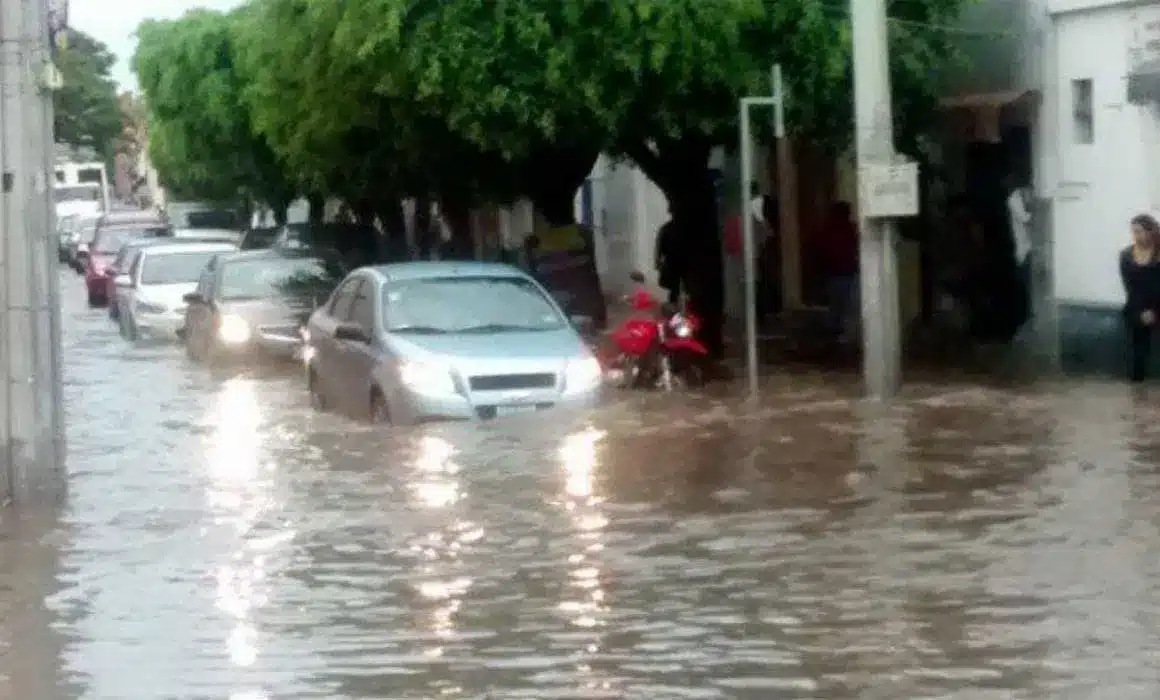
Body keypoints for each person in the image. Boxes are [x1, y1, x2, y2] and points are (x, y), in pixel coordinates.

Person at [1120, 213, 1160, 381]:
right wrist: (1142, 310)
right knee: (1138, 349)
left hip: (1157, 305)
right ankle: (1137, 383)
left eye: (1139, 231)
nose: (1136, 236)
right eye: (1133, 232)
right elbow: (1129, 286)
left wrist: (1153, 310)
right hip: (1136, 307)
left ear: (1150, 232)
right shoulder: (1126, 255)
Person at [818, 201, 860, 342]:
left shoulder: (828, 229)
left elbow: (820, 250)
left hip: (834, 272)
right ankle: (843, 335)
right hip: (848, 272)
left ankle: (834, 334)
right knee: (848, 307)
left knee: (836, 306)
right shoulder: (850, 228)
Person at [655, 216, 682, 304]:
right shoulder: (667, 228)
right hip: (673, 265)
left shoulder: (666, 228)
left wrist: (658, 262)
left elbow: (659, 248)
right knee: (675, 290)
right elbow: (659, 248)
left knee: (675, 290)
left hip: (674, 264)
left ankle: (675, 305)